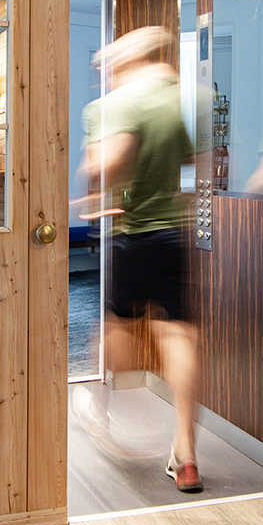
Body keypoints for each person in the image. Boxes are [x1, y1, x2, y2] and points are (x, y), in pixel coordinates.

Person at [77, 25, 202, 492]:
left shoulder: (114, 106)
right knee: (178, 337)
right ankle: (186, 453)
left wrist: (93, 180)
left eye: (105, 68)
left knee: (117, 325)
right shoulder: (173, 103)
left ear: (123, 63)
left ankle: (104, 410)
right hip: (173, 234)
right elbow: (195, 163)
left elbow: (110, 164)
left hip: (133, 235)